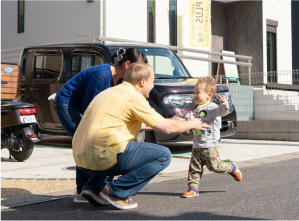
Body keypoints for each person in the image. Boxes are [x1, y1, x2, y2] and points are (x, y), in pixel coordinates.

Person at [72, 63, 211, 210]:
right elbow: (167, 129)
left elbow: (148, 124)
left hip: (81, 158)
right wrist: (193, 123)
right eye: (152, 81)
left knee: (111, 144)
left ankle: (92, 187)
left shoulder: (111, 92)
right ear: (143, 82)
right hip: (102, 157)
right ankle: (115, 192)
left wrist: (172, 121)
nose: (153, 85)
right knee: (163, 155)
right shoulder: (134, 98)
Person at [53, 47, 145, 203]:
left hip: (83, 107)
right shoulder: (101, 75)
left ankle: (94, 188)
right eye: (139, 67)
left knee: (98, 144)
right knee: (86, 143)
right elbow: (91, 108)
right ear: (128, 64)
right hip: (68, 105)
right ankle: (83, 191)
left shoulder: (122, 80)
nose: (141, 72)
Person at [181, 76, 242, 198]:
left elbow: (223, 111)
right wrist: (186, 118)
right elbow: (193, 120)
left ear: (209, 95)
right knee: (194, 167)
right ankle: (193, 188)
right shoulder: (197, 108)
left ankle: (231, 168)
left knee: (215, 167)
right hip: (197, 145)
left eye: (198, 92)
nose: (195, 95)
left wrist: (224, 104)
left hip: (210, 145)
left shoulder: (212, 107)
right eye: (194, 93)